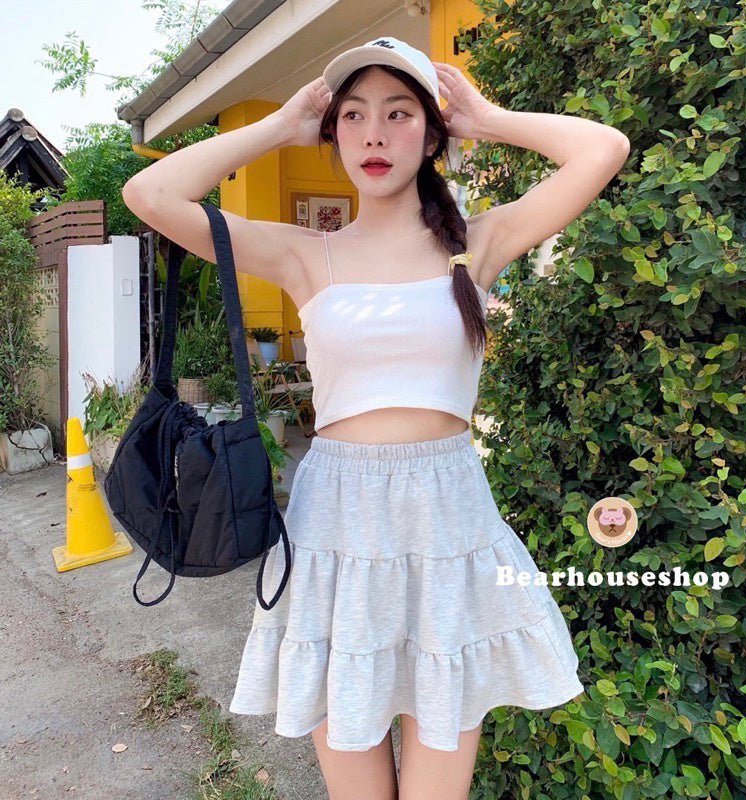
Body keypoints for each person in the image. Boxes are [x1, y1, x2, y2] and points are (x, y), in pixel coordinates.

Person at [123, 35, 628, 800]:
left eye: (399, 113)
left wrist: (487, 120)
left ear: (430, 133)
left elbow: (603, 149)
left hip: (447, 526)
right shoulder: (305, 255)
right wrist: (280, 127)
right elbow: (151, 196)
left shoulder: (478, 243)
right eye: (354, 115)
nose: (374, 135)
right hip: (336, 531)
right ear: (334, 135)